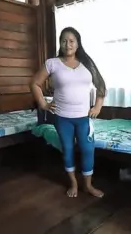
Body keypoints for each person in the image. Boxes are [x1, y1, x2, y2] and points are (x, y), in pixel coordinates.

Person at [30, 27, 106, 198]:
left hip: (83, 118)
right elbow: (34, 83)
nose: (67, 44)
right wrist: (43, 104)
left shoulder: (87, 64)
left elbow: (101, 87)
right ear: (60, 43)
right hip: (63, 118)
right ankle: (73, 183)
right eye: (64, 40)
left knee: (87, 149)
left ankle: (88, 185)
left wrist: (97, 107)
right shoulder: (52, 63)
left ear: (78, 44)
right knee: (68, 149)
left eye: (71, 40)